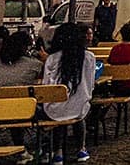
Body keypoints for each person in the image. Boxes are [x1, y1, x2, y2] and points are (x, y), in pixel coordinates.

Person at [42, 23, 95, 164]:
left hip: (53, 108)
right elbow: (90, 83)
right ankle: (81, 149)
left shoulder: (52, 58)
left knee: (59, 115)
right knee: (79, 114)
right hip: (80, 107)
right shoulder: (88, 57)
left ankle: (57, 152)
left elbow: (46, 84)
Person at [0, 32, 44, 164]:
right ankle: (42, 147)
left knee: (14, 106)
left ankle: (22, 151)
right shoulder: (34, 65)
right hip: (24, 111)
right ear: (25, 47)